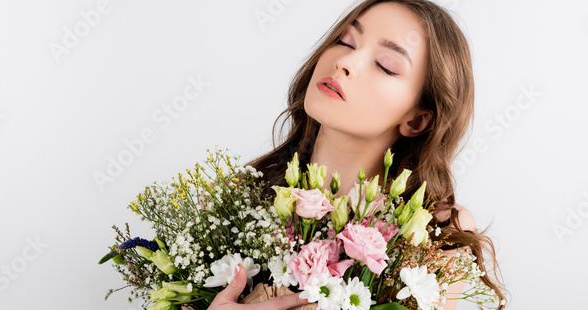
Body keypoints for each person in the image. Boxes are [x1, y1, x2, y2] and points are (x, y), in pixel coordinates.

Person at [210, 0, 508, 309]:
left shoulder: (439, 230)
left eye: (385, 65)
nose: (346, 62)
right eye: (345, 41)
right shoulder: (238, 199)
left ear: (417, 119)